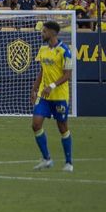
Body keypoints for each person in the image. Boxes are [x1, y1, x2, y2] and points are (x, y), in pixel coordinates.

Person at [30, 19, 74, 172]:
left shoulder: (65, 51)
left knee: (62, 127)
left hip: (60, 96)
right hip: (44, 96)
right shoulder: (42, 50)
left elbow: (67, 74)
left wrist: (52, 86)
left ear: (52, 33)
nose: (42, 33)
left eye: (44, 31)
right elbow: (42, 71)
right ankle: (46, 159)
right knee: (36, 124)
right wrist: (34, 88)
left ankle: (68, 162)